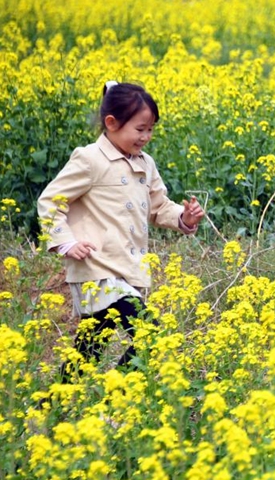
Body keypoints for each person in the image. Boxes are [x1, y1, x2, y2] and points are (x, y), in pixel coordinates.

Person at [37, 81, 205, 381]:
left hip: (127, 270)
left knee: (89, 351)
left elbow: (158, 206)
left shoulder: (146, 163)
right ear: (111, 123)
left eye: (151, 129)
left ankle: (51, 410)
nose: (146, 137)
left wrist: (185, 218)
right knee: (151, 335)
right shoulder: (90, 159)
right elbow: (51, 200)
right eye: (140, 129)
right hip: (97, 270)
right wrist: (65, 242)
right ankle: (116, 400)